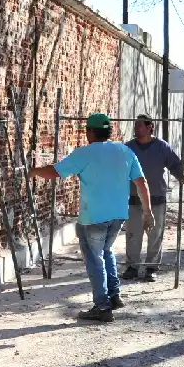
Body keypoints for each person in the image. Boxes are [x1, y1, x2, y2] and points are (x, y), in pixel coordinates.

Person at [30, 113, 154, 322]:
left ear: (90, 132)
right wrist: (148, 211)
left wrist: (33, 171)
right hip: (118, 215)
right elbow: (141, 182)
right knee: (106, 251)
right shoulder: (125, 151)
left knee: (94, 259)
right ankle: (114, 296)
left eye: (86, 130)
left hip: (94, 216)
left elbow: (55, 172)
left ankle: (102, 306)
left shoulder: (84, 153)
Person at [121, 114, 184, 282]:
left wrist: (181, 175)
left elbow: (174, 164)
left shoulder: (161, 147)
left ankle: (151, 267)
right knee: (133, 234)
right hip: (134, 198)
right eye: (135, 125)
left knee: (155, 234)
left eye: (140, 125)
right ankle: (132, 266)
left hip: (157, 198)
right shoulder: (128, 148)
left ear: (150, 127)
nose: (136, 128)